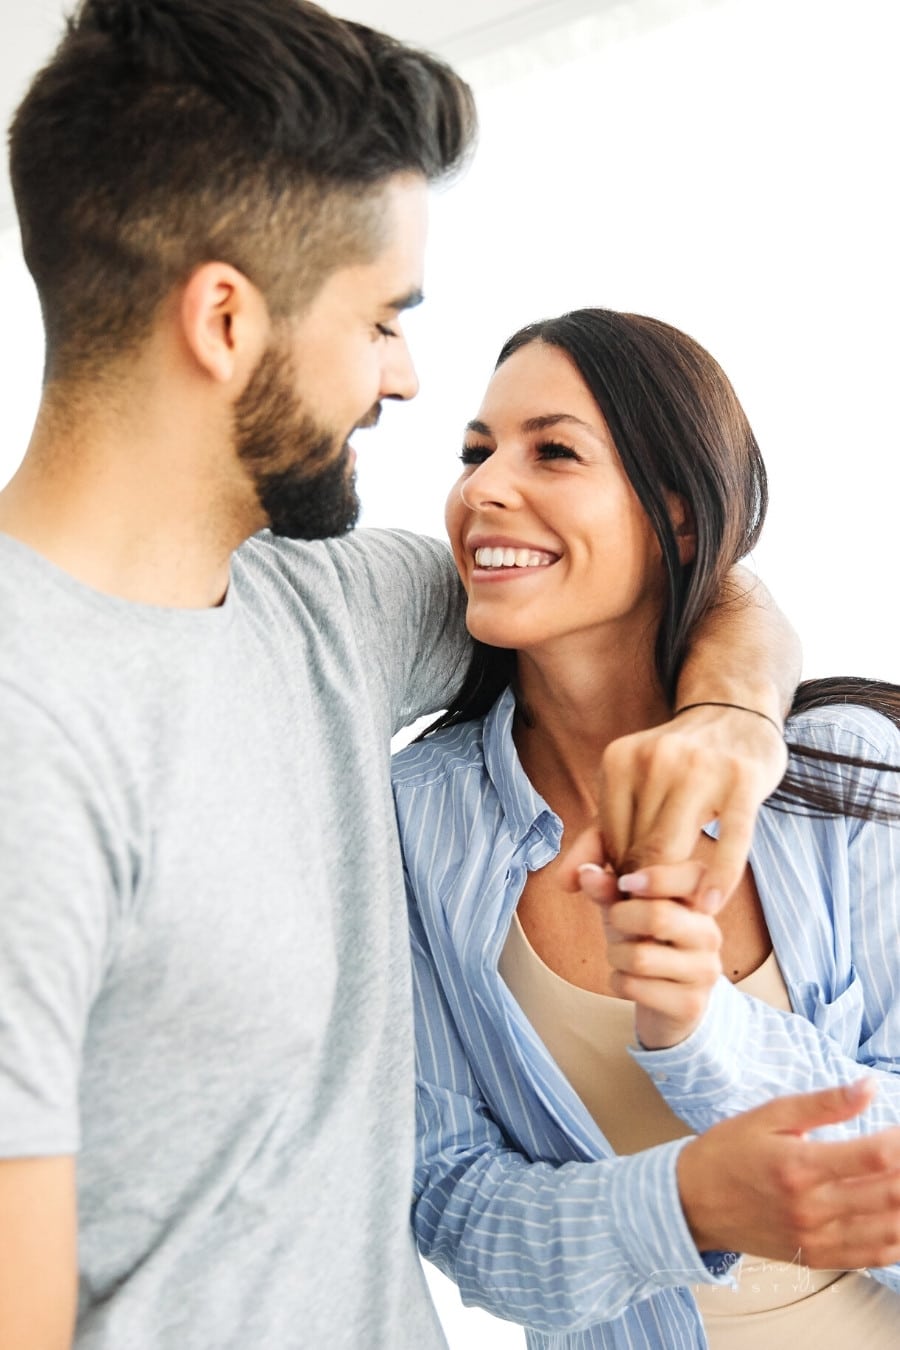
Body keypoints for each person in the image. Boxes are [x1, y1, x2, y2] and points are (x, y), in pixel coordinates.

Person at [0, 3, 805, 1347]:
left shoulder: (326, 602)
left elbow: (679, 566)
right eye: (383, 318)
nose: (408, 376)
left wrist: (731, 719)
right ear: (224, 319)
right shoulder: (28, 731)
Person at [393, 308, 900, 1348]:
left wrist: (708, 1034)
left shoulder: (852, 777)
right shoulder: (416, 822)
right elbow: (450, 1200)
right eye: (476, 453)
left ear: (674, 519)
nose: (483, 489)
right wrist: (685, 1205)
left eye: (554, 452)